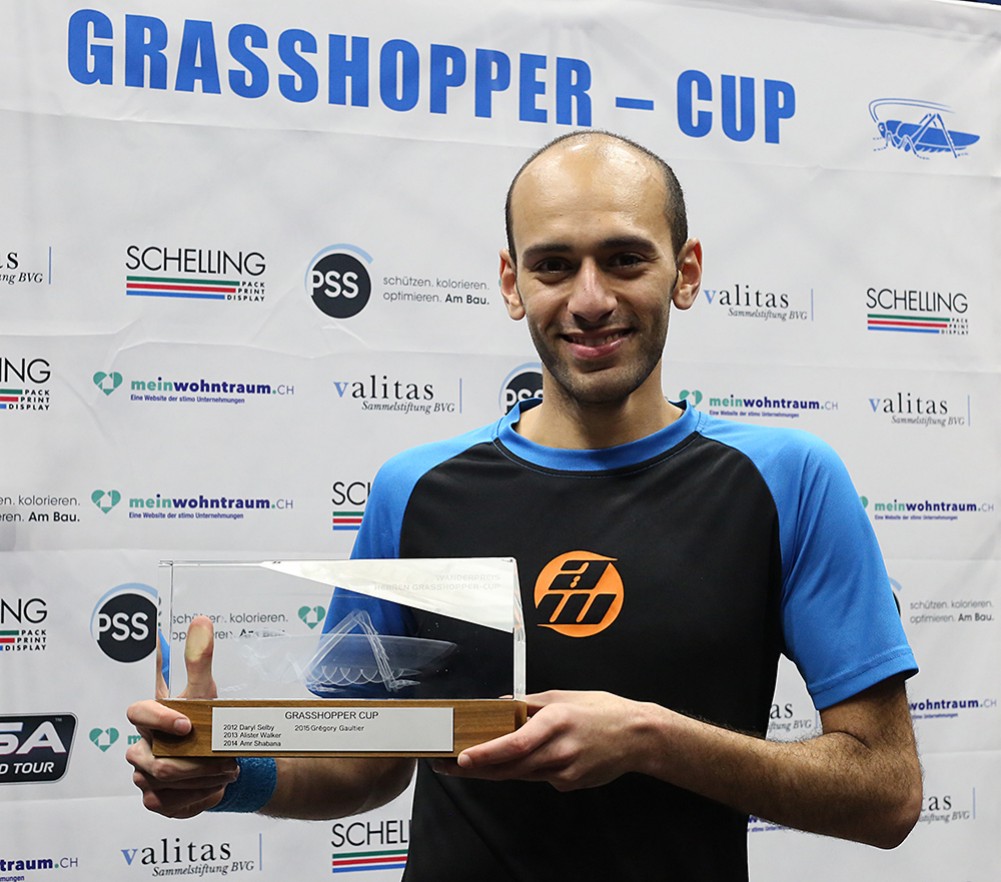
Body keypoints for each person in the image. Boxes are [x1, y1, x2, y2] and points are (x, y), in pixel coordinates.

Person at [127, 131, 921, 880]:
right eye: (553, 266)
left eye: (623, 259)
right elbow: (364, 762)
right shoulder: (415, 490)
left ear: (685, 272)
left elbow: (885, 791)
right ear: (512, 284)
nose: (589, 299)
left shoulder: (787, 481)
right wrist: (228, 766)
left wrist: (651, 739)